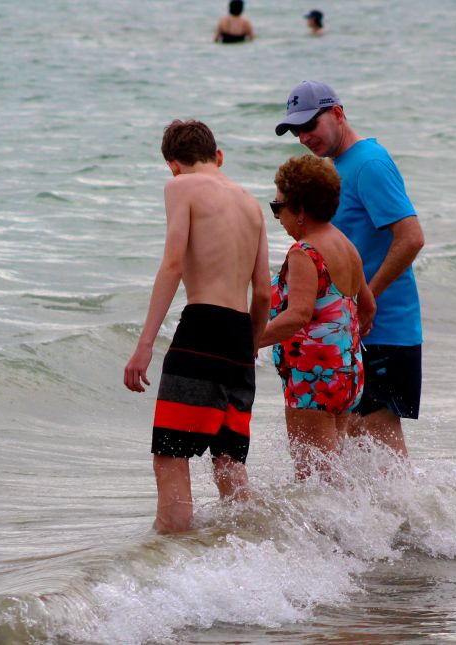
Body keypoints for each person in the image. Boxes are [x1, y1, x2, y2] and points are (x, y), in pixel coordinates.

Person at [123, 119, 270, 534]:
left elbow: (173, 264)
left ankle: (173, 555)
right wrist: (251, 345)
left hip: (202, 327)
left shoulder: (180, 187)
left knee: (171, 454)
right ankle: (252, 544)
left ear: (173, 164)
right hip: (241, 335)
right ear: (217, 156)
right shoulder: (251, 203)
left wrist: (145, 344)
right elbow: (263, 292)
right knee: (229, 462)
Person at [275, 81, 425, 458]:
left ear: (338, 114)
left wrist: (363, 299)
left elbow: (411, 238)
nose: (304, 137)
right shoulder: (341, 166)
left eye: (310, 125)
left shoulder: (368, 163)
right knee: (360, 452)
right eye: (296, 131)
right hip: (355, 332)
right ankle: (409, 502)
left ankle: (413, 502)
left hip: (384, 329)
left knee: (380, 446)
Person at [259, 155, 375, 480]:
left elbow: (298, 315)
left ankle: (354, 517)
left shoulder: (305, 253)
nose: (277, 216)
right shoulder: (346, 245)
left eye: (278, 206)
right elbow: (368, 307)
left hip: (313, 378)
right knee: (332, 475)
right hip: (347, 374)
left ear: (300, 210)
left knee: (313, 481)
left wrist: (248, 342)